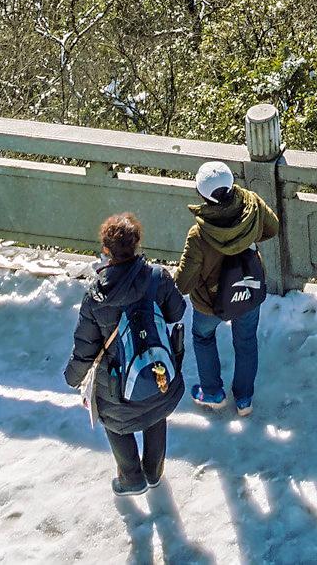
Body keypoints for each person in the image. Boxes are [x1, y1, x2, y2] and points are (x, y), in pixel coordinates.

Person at [67, 211, 190, 494]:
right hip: (161, 374)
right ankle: (154, 472)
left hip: (116, 386)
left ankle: (132, 478)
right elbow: (177, 312)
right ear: (137, 245)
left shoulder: (97, 295)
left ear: (106, 251)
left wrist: (72, 378)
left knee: (117, 423)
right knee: (156, 414)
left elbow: (85, 350)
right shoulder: (157, 277)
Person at [177, 159, 278, 415]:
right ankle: (244, 400)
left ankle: (212, 393)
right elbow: (272, 228)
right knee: (245, 341)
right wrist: (246, 241)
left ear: (201, 193)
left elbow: (183, 283)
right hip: (248, 288)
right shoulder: (252, 205)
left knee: (203, 337)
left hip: (209, 303)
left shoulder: (198, 235)